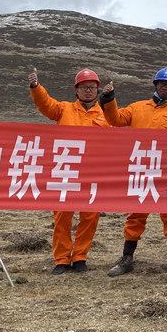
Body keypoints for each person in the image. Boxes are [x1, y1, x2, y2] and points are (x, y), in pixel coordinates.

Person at [100, 67, 167, 277]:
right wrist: (108, 99)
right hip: (143, 167)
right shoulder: (138, 107)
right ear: (156, 85)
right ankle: (127, 257)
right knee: (136, 214)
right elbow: (115, 119)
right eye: (162, 83)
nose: (165, 87)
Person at [28, 68, 107, 275]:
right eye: (84, 87)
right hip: (65, 170)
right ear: (76, 90)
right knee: (62, 215)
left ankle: (80, 257)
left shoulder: (106, 115)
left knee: (90, 216)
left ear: (97, 90)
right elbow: (46, 105)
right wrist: (36, 87)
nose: (88, 90)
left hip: (93, 172)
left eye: (92, 87)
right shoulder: (64, 109)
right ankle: (61, 259)